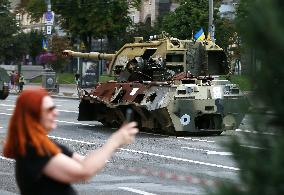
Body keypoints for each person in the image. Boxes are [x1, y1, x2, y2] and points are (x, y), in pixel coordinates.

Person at [3, 88, 138, 195]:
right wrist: (113, 141)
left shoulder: (46, 145)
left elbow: (87, 164)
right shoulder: (33, 149)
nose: (56, 112)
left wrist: (117, 143)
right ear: (34, 115)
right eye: (49, 109)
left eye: (54, 107)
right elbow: (83, 172)